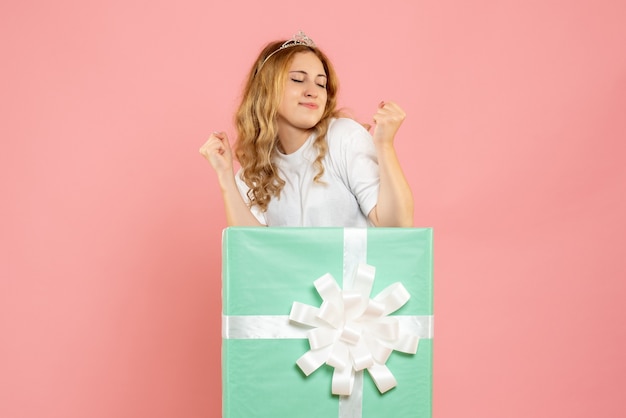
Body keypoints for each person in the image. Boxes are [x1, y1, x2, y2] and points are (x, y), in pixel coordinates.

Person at [199, 31, 413, 227]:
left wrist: (385, 145)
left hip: (354, 270)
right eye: (298, 79)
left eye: (321, 84)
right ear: (266, 90)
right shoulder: (254, 170)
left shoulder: (344, 137)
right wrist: (225, 176)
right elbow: (253, 249)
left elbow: (397, 227)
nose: (313, 91)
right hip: (288, 272)